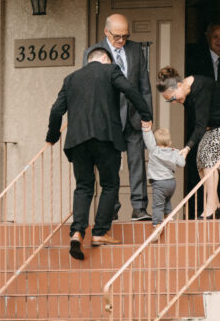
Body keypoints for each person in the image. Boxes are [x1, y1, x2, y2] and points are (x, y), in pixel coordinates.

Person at [46, 44, 152, 260]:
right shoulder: (110, 70)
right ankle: (99, 232)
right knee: (110, 184)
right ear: (105, 58)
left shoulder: (71, 78)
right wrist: (145, 114)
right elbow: (130, 89)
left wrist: (52, 135)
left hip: (77, 140)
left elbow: (56, 109)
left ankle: (77, 232)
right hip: (106, 137)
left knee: (83, 186)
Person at [84, 13, 153, 221]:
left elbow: (144, 86)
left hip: (133, 116)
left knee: (137, 162)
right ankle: (111, 208)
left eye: (125, 36)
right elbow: (90, 89)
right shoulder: (93, 52)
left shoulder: (135, 50)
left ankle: (139, 208)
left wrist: (147, 115)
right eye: (117, 37)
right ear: (106, 32)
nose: (122, 40)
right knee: (110, 165)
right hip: (108, 118)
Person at [155, 66, 220, 219]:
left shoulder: (201, 87)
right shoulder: (185, 94)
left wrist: (187, 147)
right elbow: (198, 121)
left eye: (172, 98)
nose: (174, 102)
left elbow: (200, 125)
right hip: (216, 126)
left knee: (209, 156)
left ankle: (210, 208)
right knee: (200, 160)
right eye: (169, 101)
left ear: (179, 85)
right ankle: (215, 204)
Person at [142, 127, 185, 226]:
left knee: (158, 205)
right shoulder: (174, 152)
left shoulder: (154, 150)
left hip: (159, 183)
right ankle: (168, 217)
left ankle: (157, 224)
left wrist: (146, 129)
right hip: (171, 183)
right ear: (170, 142)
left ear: (155, 143)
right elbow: (182, 164)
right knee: (167, 200)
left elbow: (148, 139)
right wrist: (181, 154)